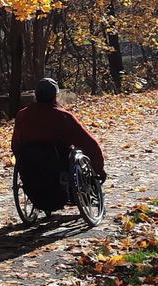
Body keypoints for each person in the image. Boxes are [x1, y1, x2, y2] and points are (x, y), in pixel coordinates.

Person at [11, 78, 106, 213]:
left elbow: (16, 145)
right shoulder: (62, 116)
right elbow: (89, 143)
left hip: (31, 170)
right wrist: (99, 169)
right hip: (59, 168)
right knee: (75, 154)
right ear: (55, 96)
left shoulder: (22, 115)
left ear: (36, 96)